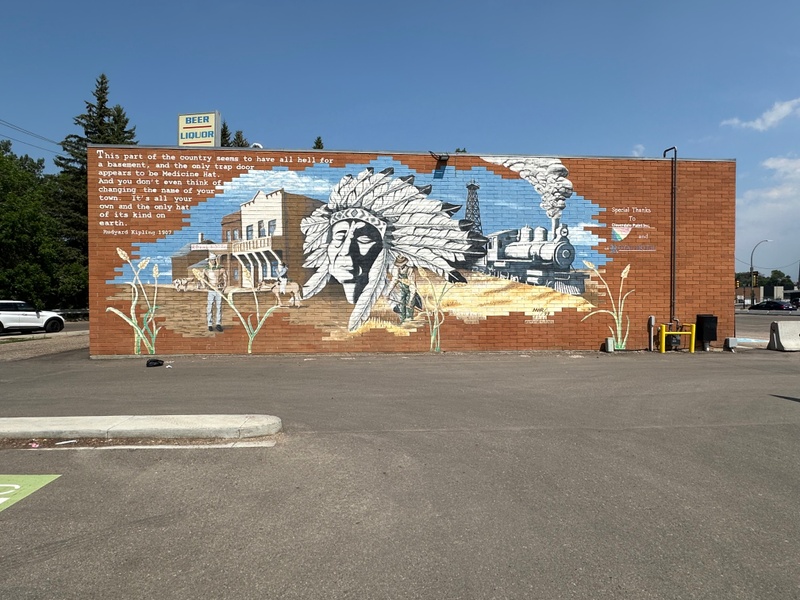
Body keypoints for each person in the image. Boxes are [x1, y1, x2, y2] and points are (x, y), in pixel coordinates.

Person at [301, 167, 486, 332]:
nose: (346, 252)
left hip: (404, 289)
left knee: (404, 302)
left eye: (364, 239)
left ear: (386, 251)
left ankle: (406, 315)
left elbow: (402, 281)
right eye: (339, 238)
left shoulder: (397, 269)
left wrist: (396, 290)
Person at [202, 253, 227, 332]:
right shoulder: (206, 269)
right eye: (211, 260)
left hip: (219, 290)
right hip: (211, 290)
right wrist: (204, 285)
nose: (213, 261)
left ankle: (218, 324)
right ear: (209, 260)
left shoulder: (221, 269)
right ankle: (209, 324)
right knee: (209, 307)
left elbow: (226, 279)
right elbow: (203, 279)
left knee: (219, 307)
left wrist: (224, 288)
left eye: (214, 260)